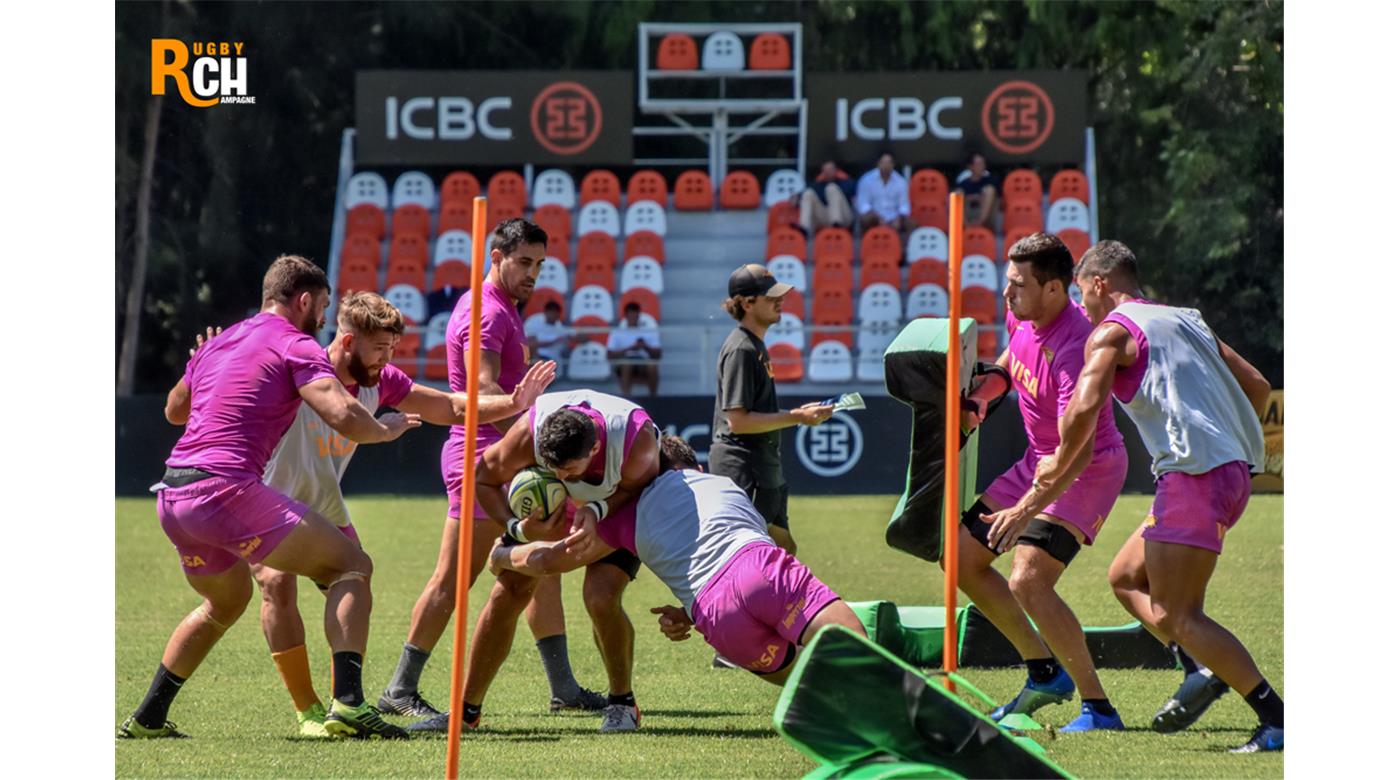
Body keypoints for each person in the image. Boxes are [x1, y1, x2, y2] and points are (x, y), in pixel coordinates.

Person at [175, 292, 557, 738]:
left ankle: (349, 702)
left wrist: (513, 402)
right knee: (277, 589)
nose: (387, 359)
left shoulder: (383, 380)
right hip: (264, 496)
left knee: (356, 578)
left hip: (325, 502)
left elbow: (450, 407)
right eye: (380, 348)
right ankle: (309, 711)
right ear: (349, 340)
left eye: (393, 349)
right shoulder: (300, 363)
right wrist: (206, 363)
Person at [987, 240, 1282, 753]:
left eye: (1084, 292)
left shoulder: (1112, 331)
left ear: (1100, 284)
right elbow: (1256, 385)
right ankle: (1199, 667)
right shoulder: (1186, 317)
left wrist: (1033, 497)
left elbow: (1080, 414)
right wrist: (1227, 445)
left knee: (1176, 614)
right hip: (1223, 473)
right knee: (1125, 577)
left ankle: (1275, 718)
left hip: (1195, 477)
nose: (1085, 307)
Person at [119, 256, 419, 740]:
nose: (322, 319)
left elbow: (175, 410)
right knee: (352, 566)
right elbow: (342, 414)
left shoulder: (221, 341)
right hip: (226, 490)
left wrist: (210, 370)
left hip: (174, 495)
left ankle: (149, 716)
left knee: (225, 603)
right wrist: (384, 431)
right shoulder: (296, 343)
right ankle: (348, 704)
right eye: (321, 306)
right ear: (303, 301)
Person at [383, 219, 602, 719]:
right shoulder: (486, 313)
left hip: (509, 458)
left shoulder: (503, 309)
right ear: (496, 256)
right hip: (480, 458)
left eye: (540, 264)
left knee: (544, 568)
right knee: (452, 580)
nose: (534, 273)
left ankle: (564, 688)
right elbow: (479, 392)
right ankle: (400, 688)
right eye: (524, 262)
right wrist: (521, 400)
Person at [489, 435, 868, 685]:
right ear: (697, 467)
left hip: (716, 616)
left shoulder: (627, 516)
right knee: (860, 655)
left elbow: (551, 562)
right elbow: (773, 544)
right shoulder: (722, 483)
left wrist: (502, 554)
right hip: (759, 568)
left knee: (816, 686)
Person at [951, 233, 1130, 733]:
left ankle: (1099, 709)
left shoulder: (1078, 347)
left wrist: (1026, 509)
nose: (1007, 294)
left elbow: (1080, 449)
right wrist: (984, 396)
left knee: (1028, 577)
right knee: (959, 560)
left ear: (1054, 290)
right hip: (1038, 459)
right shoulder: (1022, 315)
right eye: (1007, 282)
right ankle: (1044, 671)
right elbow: (1014, 359)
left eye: (1019, 284)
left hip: (1086, 467)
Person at [409, 389, 657, 734]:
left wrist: (596, 510)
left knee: (600, 596)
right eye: (551, 468)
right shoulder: (530, 433)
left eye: (569, 470)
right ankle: (465, 712)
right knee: (507, 590)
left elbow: (637, 492)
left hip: (622, 504)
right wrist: (517, 527)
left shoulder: (637, 443)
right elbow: (483, 477)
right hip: (563, 511)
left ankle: (622, 704)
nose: (560, 478)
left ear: (596, 449)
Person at [710, 264, 834, 555]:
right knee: (751, 556)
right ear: (745, 303)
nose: (780, 301)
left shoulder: (754, 345)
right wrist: (798, 417)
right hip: (744, 469)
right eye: (770, 296)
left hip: (762, 467)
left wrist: (799, 414)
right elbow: (737, 421)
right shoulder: (742, 349)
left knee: (784, 549)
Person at [606, 301, 662, 396]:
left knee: (652, 366)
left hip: (643, 360)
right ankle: (627, 397)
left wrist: (645, 347)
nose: (633, 318)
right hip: (625, 360)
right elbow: (609, 354)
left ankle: (653, 396)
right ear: (626, 316)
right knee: (627, 365)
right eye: (631, 315)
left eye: (635, 316)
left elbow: (658, 355)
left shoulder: (648, 331)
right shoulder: (617, 332)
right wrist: (630, 349)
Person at [855, 152, 912, 237]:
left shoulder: (901, 182)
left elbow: (904, 206)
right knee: (865, 219)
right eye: (883, 162)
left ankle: (904, 248)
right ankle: (866, 246)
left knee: (911, 223)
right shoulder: (866, 180)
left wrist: (898, 218)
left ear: (893, 165)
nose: (886, 165)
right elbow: (863, 205)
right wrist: (878, 218)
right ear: (878, 164)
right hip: (874, 216)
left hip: (894, 217)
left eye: (889, 163)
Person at [794, 160, 856, 235]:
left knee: (831, 188)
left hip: (844, 217)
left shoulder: (846, 181)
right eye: (825, 170)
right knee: (808, 193)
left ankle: (836, 224)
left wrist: (831, 189)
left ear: (836, 170)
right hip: (826, 217)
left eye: (830, 169)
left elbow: (851, 193)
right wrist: (796, 197)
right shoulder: (819, 183)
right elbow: (805, 192)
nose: (828, 172)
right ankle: (803, 228)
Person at [955, 152, 998, 228]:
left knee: (990, 190)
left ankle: (979, 224)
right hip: (968, 214)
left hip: (987, 218)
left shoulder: (991, 180)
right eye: (978, 164)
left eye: (983, 163)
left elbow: (999, 201)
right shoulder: (963, 183)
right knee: (958, 193)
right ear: (970, 166)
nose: (982, 166)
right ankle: (965, 226)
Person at [525, 299, 573, 365]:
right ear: (545, 312)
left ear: (559, 315)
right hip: (533, 356)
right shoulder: (534, 320)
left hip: (550, 360)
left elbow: (575, 336)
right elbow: (530, 342)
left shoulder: (561, 329)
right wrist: (554, 341)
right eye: (551, 312)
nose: (552, 315)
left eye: (555, 313)